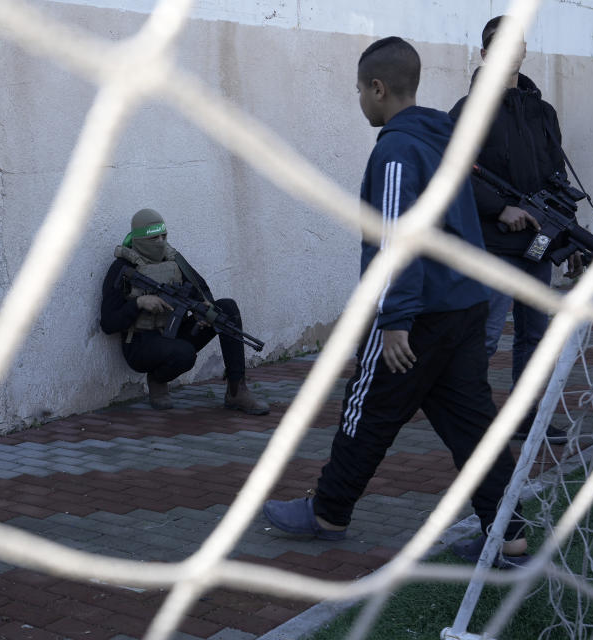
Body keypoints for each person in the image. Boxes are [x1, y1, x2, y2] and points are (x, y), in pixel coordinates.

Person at [262, 36, 529, 567]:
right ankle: (510, 536)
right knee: (473, 424)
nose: (360, 99)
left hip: (419, 316)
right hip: (463, 306)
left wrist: (394, 319)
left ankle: (328, 513)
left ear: (378, 88)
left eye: (361, 89)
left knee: (366, 410)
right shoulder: (442, 139)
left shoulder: (395, 150)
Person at [449, 16, 574, 443]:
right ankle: (473, 420)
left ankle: (524, 419)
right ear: (484, 54)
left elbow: (556, 176)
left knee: (534, 335)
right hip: (491, 243)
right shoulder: (467, 111)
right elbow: (452, 173)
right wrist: (499, 207)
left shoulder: (543, 112)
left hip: (538, 243)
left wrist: (568, 233)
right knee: (483, 337)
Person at [100, 208, 269, 415]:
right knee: (184, 354)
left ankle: (237, 390)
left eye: (164, 236)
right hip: (140, 344)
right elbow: (108, 323)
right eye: (154, 237)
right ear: (139, 239)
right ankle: (157, 378)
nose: (161, 242)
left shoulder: (174, 260)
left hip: (174, 334)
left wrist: (205, 310)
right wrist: (139, 303)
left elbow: (201, 290)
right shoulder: (122, 269)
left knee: (226, 310)